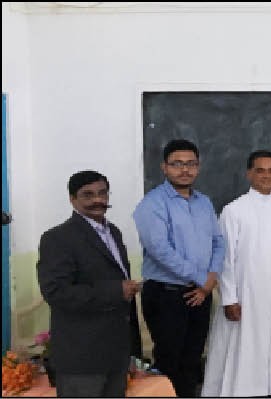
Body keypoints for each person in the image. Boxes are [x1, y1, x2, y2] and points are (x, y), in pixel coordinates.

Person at [202, 150, 271, 397]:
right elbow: (226, 259)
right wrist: (229, 298)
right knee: (246, 353)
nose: (266, 176)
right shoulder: (234, 211)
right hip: (247, 297)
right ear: (249, 174)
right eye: (260, 170)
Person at [36, 171, 142, 397]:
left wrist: (131, 351)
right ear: (72, 199)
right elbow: (56, 292)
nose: (97, 200)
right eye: (88, 195)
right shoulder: (58, 238)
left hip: (116, 354)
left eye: (102, 193)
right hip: (82, 358)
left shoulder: (113, 232)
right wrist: (116, 290)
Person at [133, 139, 225, 397]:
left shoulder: (204, 202)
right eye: (177, 164)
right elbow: (160, 251)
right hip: (166, 295)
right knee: (169, 361)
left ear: (198, 166)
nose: (185, 170)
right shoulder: (152, 205)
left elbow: (218, 242)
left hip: (201, 294)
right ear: (164, 167)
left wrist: (211, 279)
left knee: (193, 360)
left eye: (191, 164)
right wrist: (201, 278)